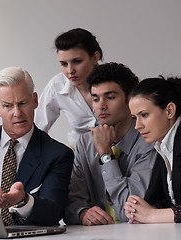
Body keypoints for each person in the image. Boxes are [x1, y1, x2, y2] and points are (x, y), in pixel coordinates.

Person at [0, 67, 74, 226]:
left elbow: (53, 212)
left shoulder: (58, 154)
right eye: (8, 106)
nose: (17, 113)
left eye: (23, 103)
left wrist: (24, 201)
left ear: (35, 100)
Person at [64, 62, 159, 225]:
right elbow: (71, 202)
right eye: (95, 98)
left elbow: (127, 211)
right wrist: (82, 213)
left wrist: (105, 154)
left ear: (130, 100)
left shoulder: (148, 141)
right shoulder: (85, 143)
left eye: (110, 97)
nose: (101, 106)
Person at [124, 76, 181, 224]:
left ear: (169, 111)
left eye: (144, 115)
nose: (137, 126)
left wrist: (151, 215)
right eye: (135, 118)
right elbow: (162, 200)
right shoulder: (163, 146)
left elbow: (154, 213)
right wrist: (136, 209)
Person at [35, 28, 102, 148]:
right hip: (78, 153)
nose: (70, 71)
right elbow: (37, 129)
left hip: (119, 153)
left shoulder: (117, 80)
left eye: (77, 61)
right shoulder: (56, 86)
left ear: (95, 57)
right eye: (64, 64)